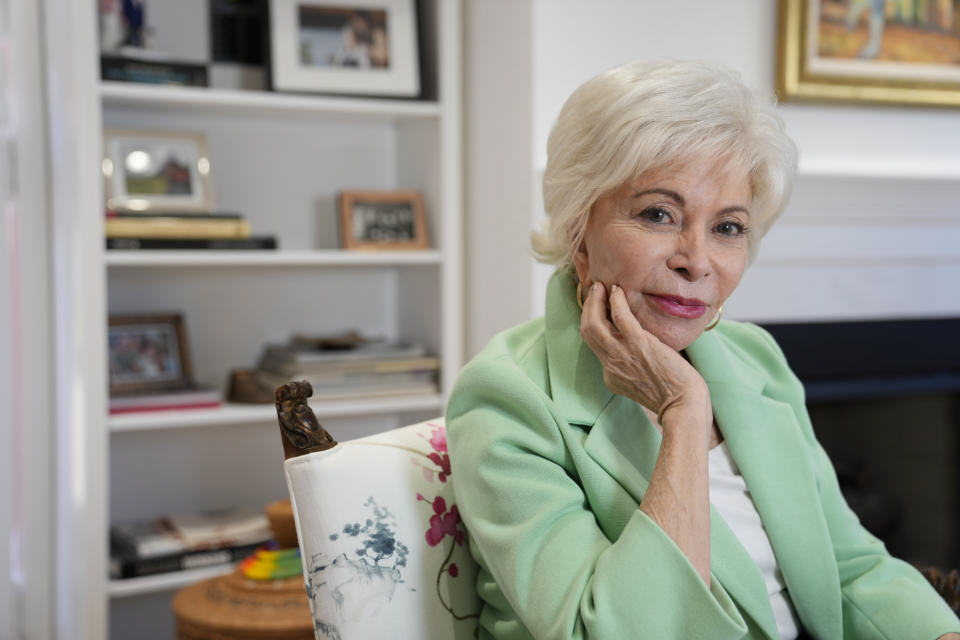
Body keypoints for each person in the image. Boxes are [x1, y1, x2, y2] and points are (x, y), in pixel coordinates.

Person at [445, 60, 960, 639]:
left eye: (729, 227)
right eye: (658, 214)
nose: (697, 260)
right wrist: (684, 416)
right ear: (577, 233)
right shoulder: (508, 399)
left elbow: (852, 566)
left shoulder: (752, 359)